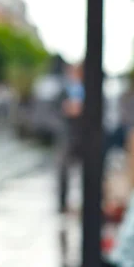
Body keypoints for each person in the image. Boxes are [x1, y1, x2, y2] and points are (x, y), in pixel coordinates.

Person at [58, 64, 84, 213]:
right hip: (67, 136)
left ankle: (83, 204)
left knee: (85, 172)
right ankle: (63, 204)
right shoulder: (63, 91)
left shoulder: (87, 90)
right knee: (63, 171)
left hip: (83, 136)